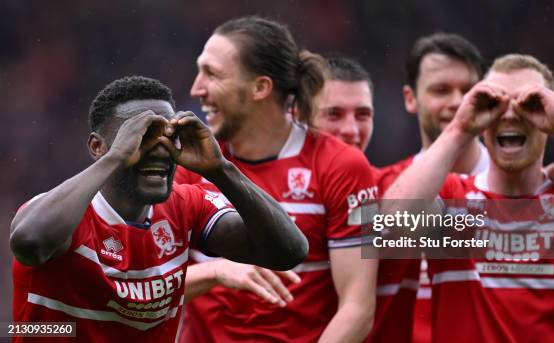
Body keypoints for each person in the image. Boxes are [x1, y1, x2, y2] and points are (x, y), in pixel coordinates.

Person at [10, 76, 308, 342]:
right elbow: (29, 244)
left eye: (168, 135)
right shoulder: (64, 213)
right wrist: (116, 157)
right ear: (98, 147)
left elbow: (288, 252)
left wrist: (220, 169)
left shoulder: (187, 205)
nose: (158, 148)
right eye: (141, 136)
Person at [176, 16, 378, 342]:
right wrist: (216, 271)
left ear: (260, 87)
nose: (196, 88)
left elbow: (358, 308)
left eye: (212, 74)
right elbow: (141, 284)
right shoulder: (187, 165)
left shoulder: (346, 167)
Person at [384, 53, 554, 342]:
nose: (510, 114)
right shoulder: (453, 198)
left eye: (531, 104)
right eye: (494, 103)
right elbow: (387, 227)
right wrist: (459, 129)